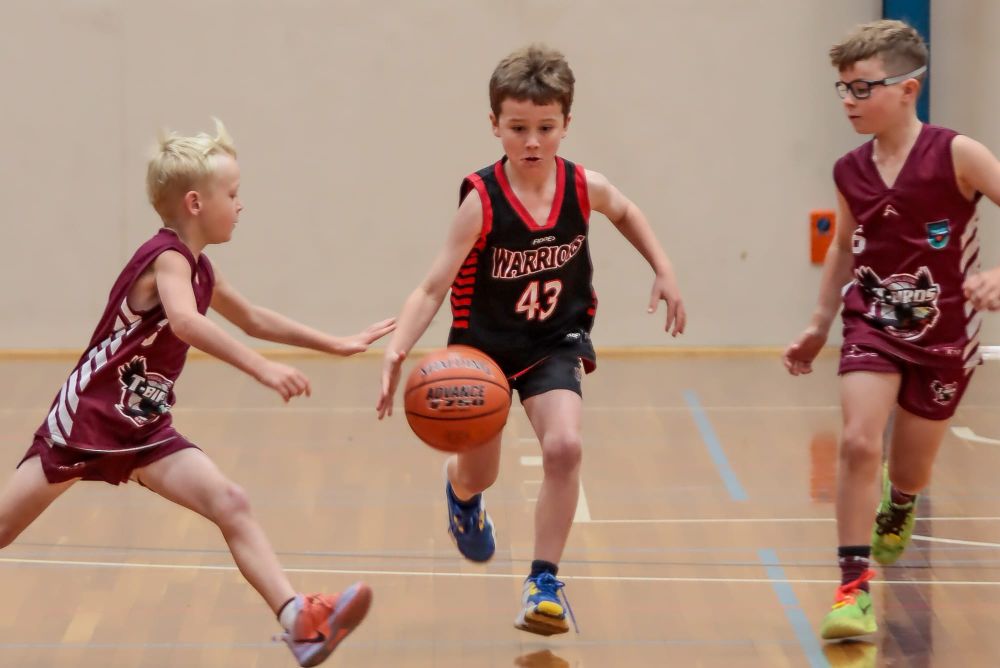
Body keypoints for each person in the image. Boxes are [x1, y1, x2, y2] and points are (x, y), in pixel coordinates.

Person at [0, 119, 395, 666]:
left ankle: (299, 622)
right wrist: (261, 369)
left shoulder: (200, 268)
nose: (240, 206)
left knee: (230, 501)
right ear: (194, 202)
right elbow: (185, 323)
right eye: (232, 195)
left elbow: (254, 317)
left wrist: (338, 343)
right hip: (87, 421)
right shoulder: (167, 258)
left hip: (142, 426)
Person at [376, 45, 685, 636]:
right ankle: (462, 497)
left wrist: (662, 266)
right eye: (518, 128)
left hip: (554, 340)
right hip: (481, 352)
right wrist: (397, 348)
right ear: (495, 125)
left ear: (567, 123)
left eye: (546, 127)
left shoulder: (583, 186)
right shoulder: (482, 202)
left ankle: (543, 581)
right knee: (479, 473)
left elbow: (625, 210)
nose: (533, 142)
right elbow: (433, 284)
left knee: (565, 447)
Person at [784, 20, 1000, 640]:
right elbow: (844, 251)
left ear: (909, 88)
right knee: (856, 441)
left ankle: (899, 501)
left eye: (862, 88)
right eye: (843, 89)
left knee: (909, 469)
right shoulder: (849, 169)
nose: (849, 102)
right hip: (871, 323)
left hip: (945, 334)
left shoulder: (959, 154)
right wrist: (819, 323)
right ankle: (852, 592)